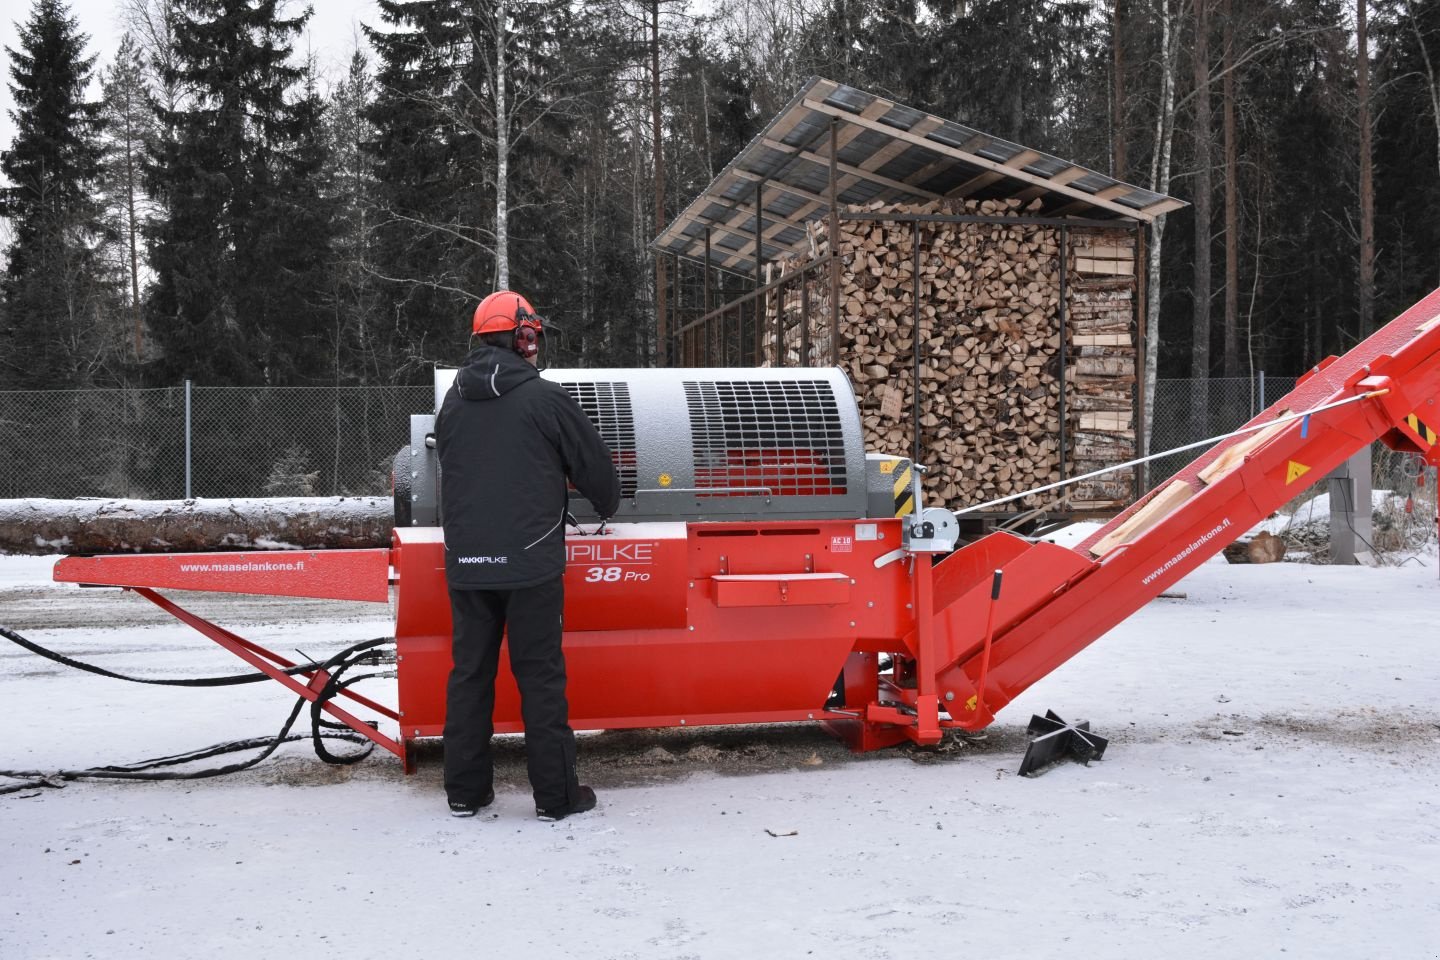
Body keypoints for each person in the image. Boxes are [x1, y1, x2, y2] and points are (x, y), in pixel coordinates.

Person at [435, 290, 621, 821]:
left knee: (469, 673)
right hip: (531, 562)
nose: (535, 345)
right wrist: (607, 503)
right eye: (532, 335)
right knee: (538, 675)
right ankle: (556, 798)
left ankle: (465, 792)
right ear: (522, 337)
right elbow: (594, 466)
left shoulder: (451, 400)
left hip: (466, 561)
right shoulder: (543, 397)